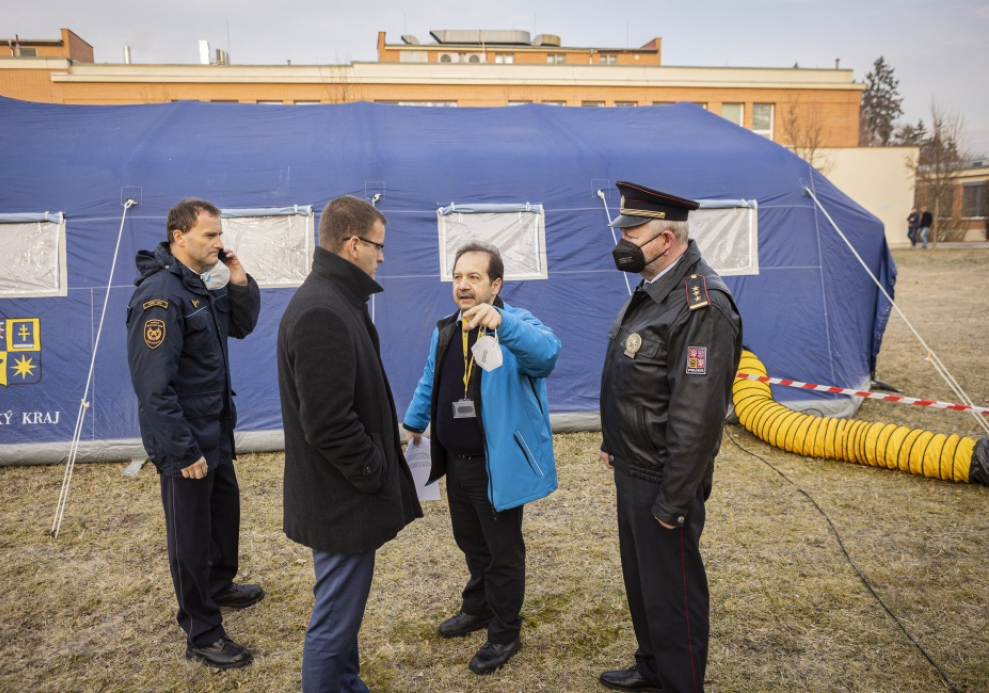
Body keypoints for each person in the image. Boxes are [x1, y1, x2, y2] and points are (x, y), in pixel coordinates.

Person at [597, 182, 742, 693]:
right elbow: (636, 380)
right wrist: (613, 442)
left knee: (673, 593)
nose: (623, 240)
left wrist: (673, 500)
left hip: (664, 478)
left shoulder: (700, 305)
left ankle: (681, 682)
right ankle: (652, 665)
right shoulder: (652, 286)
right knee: (643, 583)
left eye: (632, 231)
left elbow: (697, 419)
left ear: (666, 236)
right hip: (634, 466)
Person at [277, 195, 422, 692]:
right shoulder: (323, 310)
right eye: (379, 247)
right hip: (340, 500)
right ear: (354, 244)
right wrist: (375, 471)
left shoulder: (337, 299)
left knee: (343, 614)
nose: (383, 257)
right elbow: (328, 423)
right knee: (334, 621)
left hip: (340, 495)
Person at [403, 241, 562, 675]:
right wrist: (413, 424)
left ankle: (505, 631)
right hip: (456, 463)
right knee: (470, 542)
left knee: (502, 551)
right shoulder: (447, 329)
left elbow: (547, 354)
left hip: (497, 466)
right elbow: (429, 380)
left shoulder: (515, 324)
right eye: (457, 276)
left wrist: (504, 322)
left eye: (474, 277)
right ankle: (478, 607)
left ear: (496, 285)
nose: (463, 285)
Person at [125, 197, 263, 669]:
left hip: (215, 431)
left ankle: (219, 585)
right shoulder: (160, 296)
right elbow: (153, 388)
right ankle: (202, 630)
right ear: (178, 236)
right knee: (190, 535)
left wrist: (240, 280)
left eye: (220, 234)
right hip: (185, 439)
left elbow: (242, 326)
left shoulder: (200, 285)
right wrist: (182, 451)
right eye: (210, 235)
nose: (219, 243)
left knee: (223, 518)